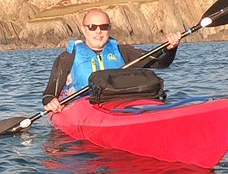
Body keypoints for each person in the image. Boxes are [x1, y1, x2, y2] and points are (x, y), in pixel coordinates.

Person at [42, 8, 181, 113]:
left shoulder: (123, 52)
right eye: (92, 27)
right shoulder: (67, 57)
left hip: (120, 107)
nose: (98, 31)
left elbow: (161, 63)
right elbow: (48, 94)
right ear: (83, 30)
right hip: (83, 108)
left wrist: (170, 48)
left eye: (103, 27)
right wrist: (51, 102)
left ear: (109, 29)